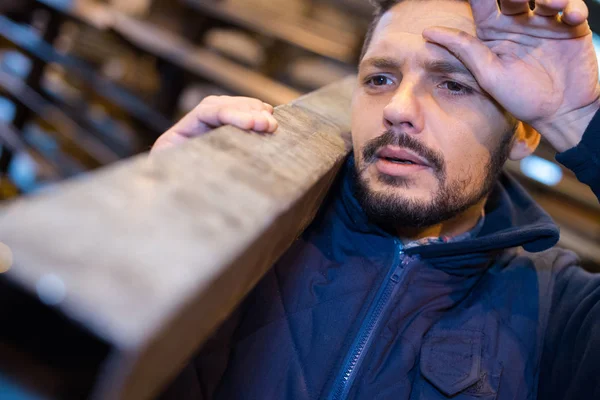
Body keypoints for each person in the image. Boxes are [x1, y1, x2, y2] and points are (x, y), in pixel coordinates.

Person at [153, 0, 600, 398]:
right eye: (380, 78)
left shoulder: (557, 315)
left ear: (523, 132)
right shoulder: (256, 220)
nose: (398, 108)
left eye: (454, 85)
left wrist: (580, 119)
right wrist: (155, 223)